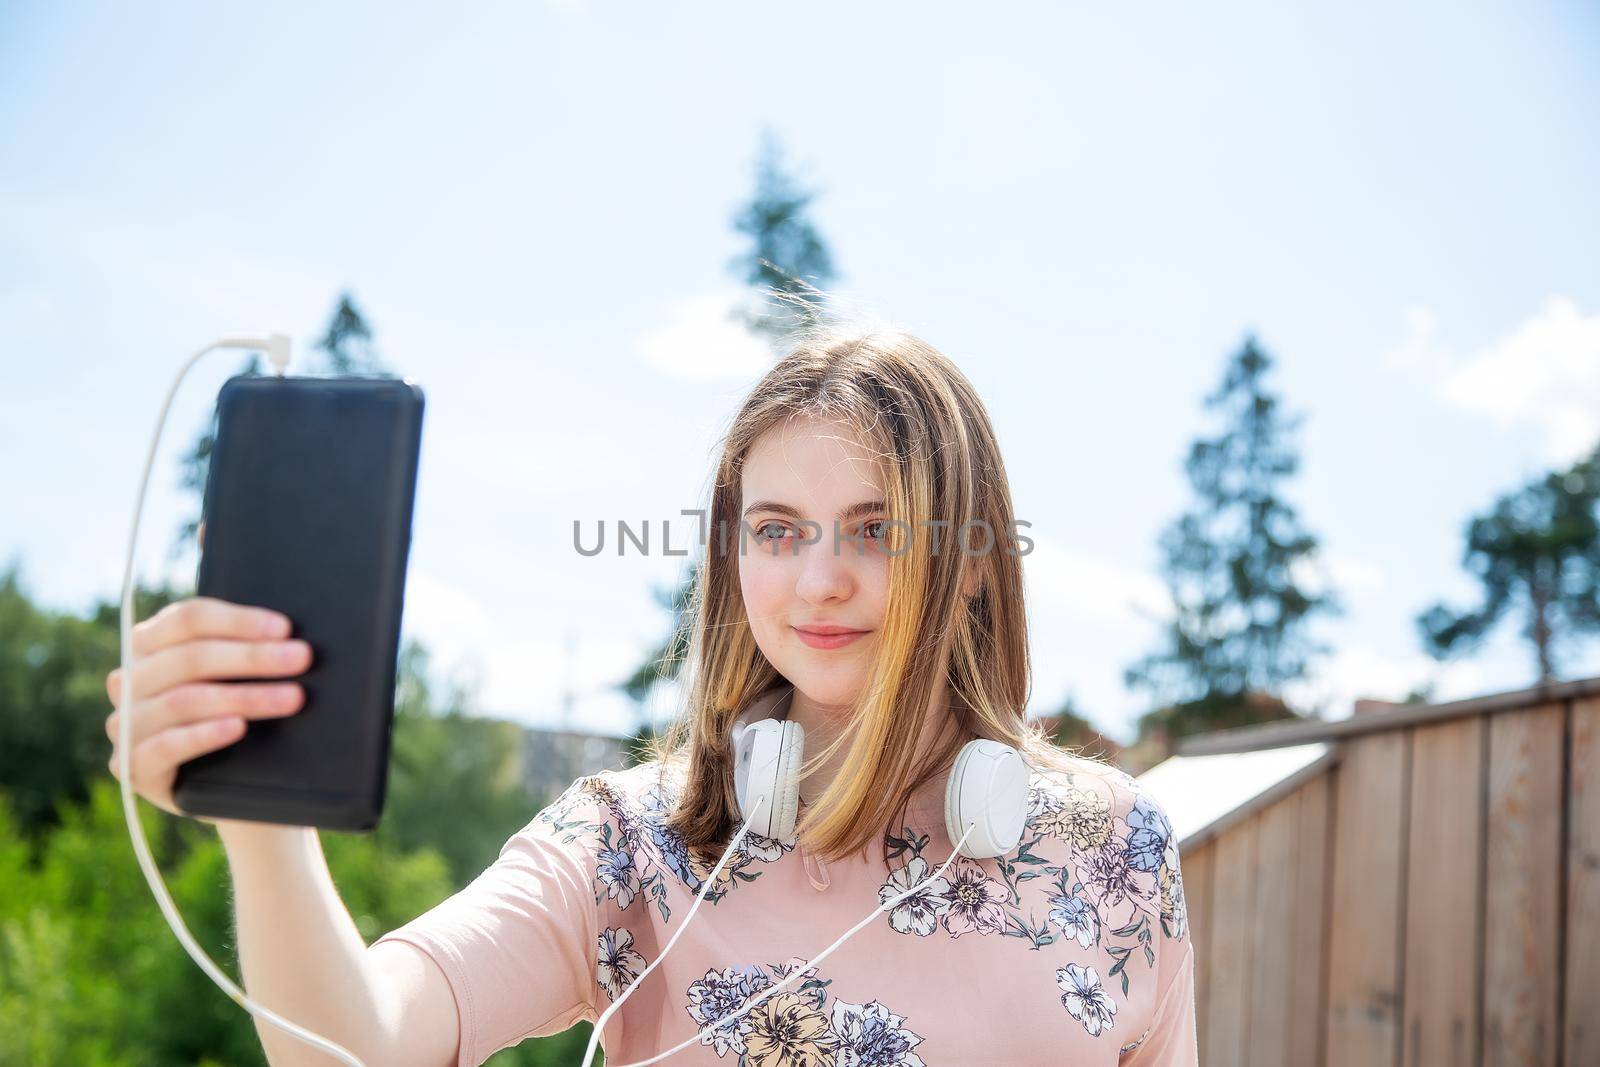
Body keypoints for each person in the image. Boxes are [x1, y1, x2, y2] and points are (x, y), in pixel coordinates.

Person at [105, 323, 1197, 1066]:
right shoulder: (635, 842)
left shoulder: (1117, 848)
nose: (819, 577)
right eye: (776, 530)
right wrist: (265, 824)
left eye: (877, 528)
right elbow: (359, 1044)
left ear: (967, 558)